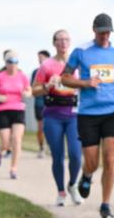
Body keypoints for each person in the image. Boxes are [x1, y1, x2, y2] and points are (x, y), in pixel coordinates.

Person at [61, 14, 114, 218]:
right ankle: (86, 175)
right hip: (88, 113)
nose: (104, 36)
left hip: (113, 110)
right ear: (94, 30)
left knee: (110, 158)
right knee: (92, 162)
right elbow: (64, 78)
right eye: (101, 32)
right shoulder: (81, 51)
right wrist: (85, 83)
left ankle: (105, 204)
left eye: (107, 32)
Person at [34, 29, 83, 207]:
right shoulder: (47, 65)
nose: (63, 43)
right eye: (59, 40)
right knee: (58, 156)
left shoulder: (77, 63)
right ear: (54, 43)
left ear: (70, 42)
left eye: (66, 39)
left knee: (76, 155)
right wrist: (47, 86)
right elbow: (34, 90)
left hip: (74, 114)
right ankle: (61, 191)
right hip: (53, 114)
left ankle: (72, 185)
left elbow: (86, 83)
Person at [0, 52, 32, 179]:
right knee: (6, 143)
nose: (13, 64)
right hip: (3, 110)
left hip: (18, 109)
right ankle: (0, 150)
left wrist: (26, 94)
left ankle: (13, 168)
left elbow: (29, 90)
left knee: (17, 139)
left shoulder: (22, 76)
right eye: (10, 62)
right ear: (6, 63)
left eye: (15, 61)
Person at [31, 50, 51, 158]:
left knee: (51, 126)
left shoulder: (54, 70)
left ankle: (50, 146)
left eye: (42, 57)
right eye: (38, 57)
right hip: (39, 102)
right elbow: (32, 89)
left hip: (51, 102)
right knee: (41, 127)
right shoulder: (36, 72)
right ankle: (41, 147)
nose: (39, 59)